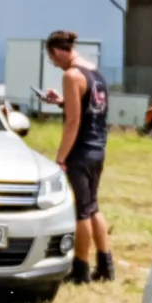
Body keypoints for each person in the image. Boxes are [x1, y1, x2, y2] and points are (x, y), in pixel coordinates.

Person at [47, 29, 114, 283]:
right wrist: (62, 101)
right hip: (98, 147)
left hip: (81, 151)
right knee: (93, 206)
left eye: (52, 59)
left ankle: (81, 270)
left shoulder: (71, 75)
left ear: (56, 51)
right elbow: (90, 108)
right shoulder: (93, 71)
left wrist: (61, 157)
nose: (54, 64)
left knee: (81, 212)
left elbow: (74, 121)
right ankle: (106, 266)